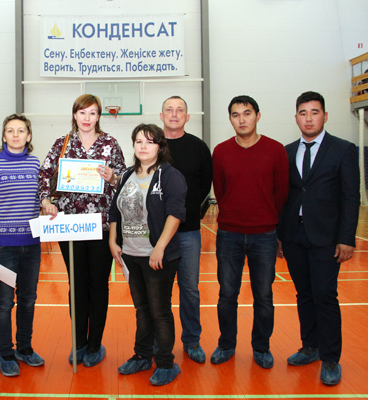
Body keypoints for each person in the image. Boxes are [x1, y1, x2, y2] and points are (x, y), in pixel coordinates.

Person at [277, 91, 359, 386]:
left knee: (325, 295)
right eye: (303, 113)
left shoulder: (343, 149)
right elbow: (283, 197)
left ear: (325, 116)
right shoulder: (286, 152)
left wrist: (346, 238)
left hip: (326, 237)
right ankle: (310, 346)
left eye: (314, 112)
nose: (309, 118)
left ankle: (331, 357)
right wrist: (280, 235)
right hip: (294, 235)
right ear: (296, 117)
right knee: (304, 294)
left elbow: (350, 197)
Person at [39, 94, 126, 367]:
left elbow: (125, 179)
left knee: (98, 285)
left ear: (99, 116)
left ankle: (95, 345)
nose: (87, 118)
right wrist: (45, 200)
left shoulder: (110, 144)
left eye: (92, 113)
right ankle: (78, 342)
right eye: (82, 112)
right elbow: (44, 175)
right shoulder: (62, 143)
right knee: (76, 285)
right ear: (74, 115)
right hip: (70, 225)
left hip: (101, 226)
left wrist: (113, 177)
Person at [211, 95, 289, 369]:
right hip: (229, 235)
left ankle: (261, 347)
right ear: (230, 119)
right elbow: (220, 190)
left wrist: (266, 219)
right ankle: (226, 344)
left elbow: (280, 193)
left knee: (264, 296)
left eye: (247, 113)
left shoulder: (276, 150)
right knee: (227, 295)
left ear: (257, 115)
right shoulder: (221, 151)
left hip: (264, 236)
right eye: (235, 115)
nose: (242, 119)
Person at [109, 123, 186, 386]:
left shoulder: (170, 175)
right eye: (139, 141)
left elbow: (175, 214)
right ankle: (143, 355)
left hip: (157, 256)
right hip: (130, 255)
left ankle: (166, 363)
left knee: (159, 311)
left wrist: (159, 248)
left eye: (150, 142)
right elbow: (115, 210)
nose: (143, 146)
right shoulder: (127, 174)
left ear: (160, 147)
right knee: (142, 309)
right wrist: (113, 240)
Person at [0, 114, 53, 377]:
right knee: (3, 302)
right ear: (3, 136)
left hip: (31, 245)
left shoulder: (35, 163)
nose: (16, 135)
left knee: (28, 299)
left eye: (21, 130)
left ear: (29, 136)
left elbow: (41, 196)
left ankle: (24, 348)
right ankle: (5, 353)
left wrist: (47, 203)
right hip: (2, 247)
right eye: (10, 130)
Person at [160, 95, 213, 363]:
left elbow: (204, 185)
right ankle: (160, 342)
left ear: (187, 117)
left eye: (180, 110)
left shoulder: (199, 147)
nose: (174, 114)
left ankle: (192, 340)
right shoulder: (152, 145)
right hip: (156, 235)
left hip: (189, 232)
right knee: (159, 292)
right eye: (169, 110)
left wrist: (187, 212)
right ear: (161, 116)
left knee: (189, 289)